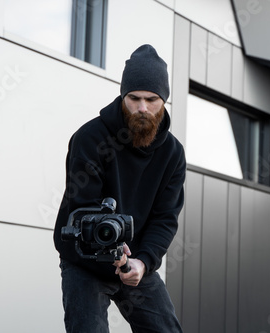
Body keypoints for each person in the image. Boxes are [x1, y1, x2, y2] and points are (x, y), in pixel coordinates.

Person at [54, 44, 185, 333]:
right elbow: (82, 207)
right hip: (84, 260)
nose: (142, 108)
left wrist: (143, 262)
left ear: (164, 100)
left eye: (151, 99)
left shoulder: (173, 154)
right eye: (134, 98)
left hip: (134, 261)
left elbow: (165, 218)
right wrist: (111, 248)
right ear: (122, 96)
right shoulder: (90, 138)